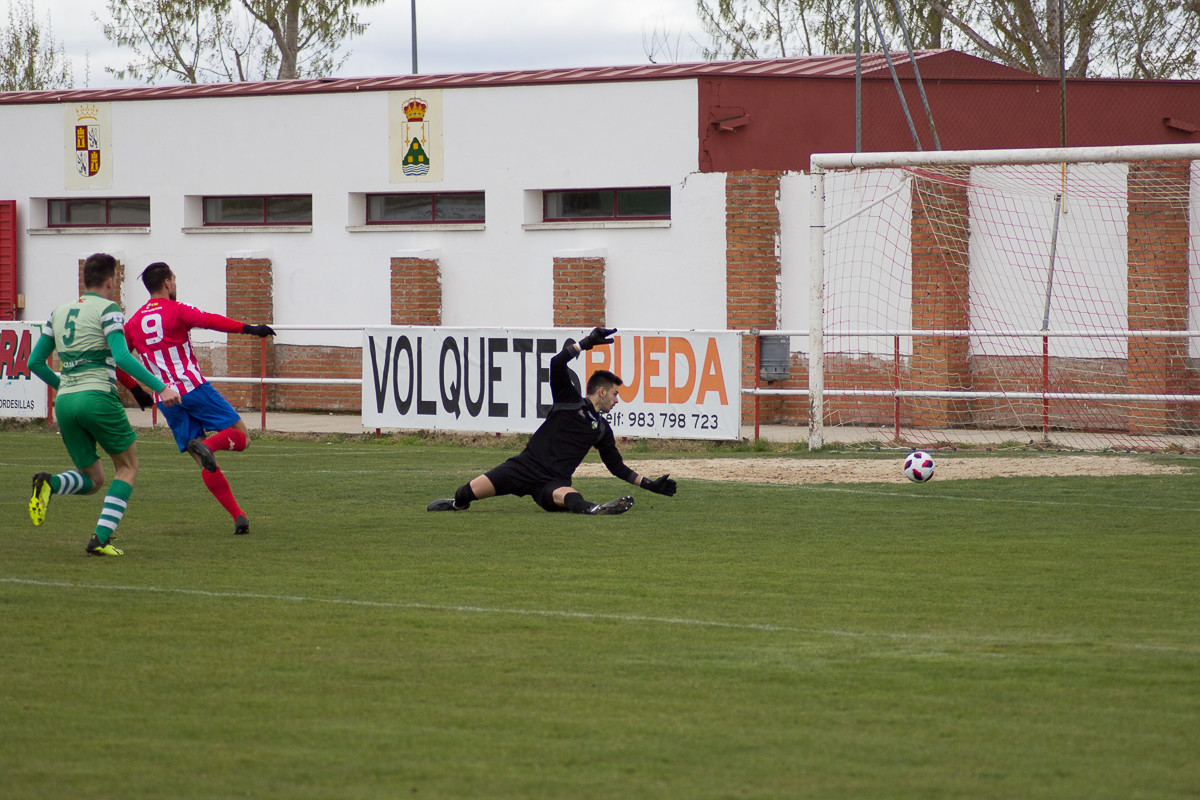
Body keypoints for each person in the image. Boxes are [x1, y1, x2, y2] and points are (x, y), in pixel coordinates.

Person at [27, 253, 182, 556]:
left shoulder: (58, 311)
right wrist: (161, 387)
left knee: (94, 479)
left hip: (67, 402)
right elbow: (122, 357)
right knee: (127, 467)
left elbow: (34, 362)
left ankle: (50, 483)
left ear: (85, 280)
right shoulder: (109, 309)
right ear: (112, 280)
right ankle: (100, 538)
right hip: (97, 396)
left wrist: (66, 386)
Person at [427, 327, 678, 515]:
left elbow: (616, 466)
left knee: (572, 498)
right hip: (523, 467)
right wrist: (587, 343)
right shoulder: (569, 400)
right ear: (601, 391)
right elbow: (557, 363)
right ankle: (456, 505)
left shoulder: (602, 429)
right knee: (465, 492)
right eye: (615, 394)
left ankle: (595, 510)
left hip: (552, 482)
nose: (617, 400)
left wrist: (649, 484)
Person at [121, 262, 275, 536]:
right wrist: (249, 329)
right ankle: (212, 446)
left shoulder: (132, 324)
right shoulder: (178, 310)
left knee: (202, 459)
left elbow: (119, 362)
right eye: (174, 280)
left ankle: (238, 515)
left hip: (165, 400)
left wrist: (136, 390)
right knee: (242, 436)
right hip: (192, 387)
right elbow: (210, 320)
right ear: (168, 283)